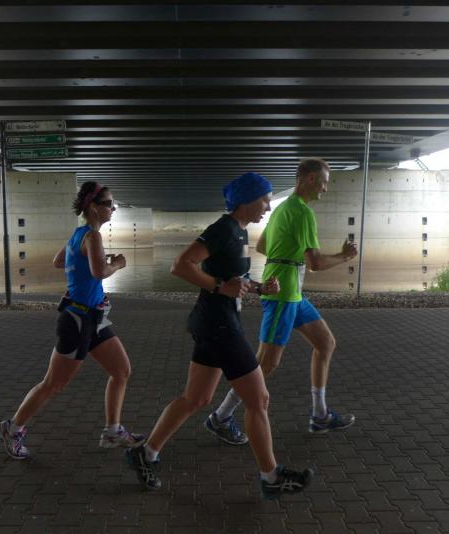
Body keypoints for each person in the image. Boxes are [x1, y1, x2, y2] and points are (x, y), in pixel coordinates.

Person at [126, 172, 313, 498]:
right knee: (259, 399)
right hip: (220, 326)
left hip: (214, 324)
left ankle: (146, 452)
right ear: (247, 200)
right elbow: (181, 265)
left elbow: (234, 279)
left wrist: (259, 288)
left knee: (196, 398)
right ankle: (271, 477)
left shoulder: (239, 232)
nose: (268, 207)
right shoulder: (223, 229)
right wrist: (218, 287)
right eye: (265, 200)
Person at [207, 158, 358, 444]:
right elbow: (315, 263)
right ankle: (221, 416)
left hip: (293, 294)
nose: (325, 189)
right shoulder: (302, 212)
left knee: (325, 343)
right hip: (282, 295)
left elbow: (263, 245)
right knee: (266, 364)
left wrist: (288, 256)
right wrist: (345, 256)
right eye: (324, 182)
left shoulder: (282, 209)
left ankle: (320, 415)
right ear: (310, 179)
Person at [0, 181, 144, 459]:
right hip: (77, 321)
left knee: (121, 371)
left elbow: (58, 261)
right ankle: (12, 428)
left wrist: (81, 276)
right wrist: (117, 263)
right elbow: (99, 272)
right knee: (53, 384)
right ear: (93, 207)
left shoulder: (79, 234)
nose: (113, 208)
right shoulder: (92, 236)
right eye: (108, 204)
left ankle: (113, 431)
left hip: (94, 318)